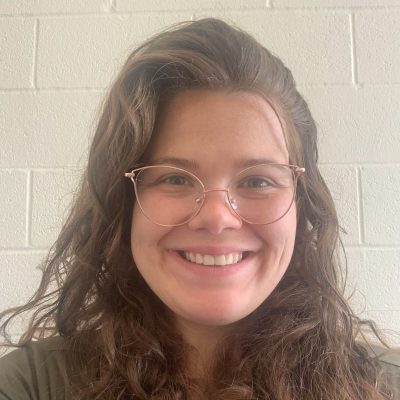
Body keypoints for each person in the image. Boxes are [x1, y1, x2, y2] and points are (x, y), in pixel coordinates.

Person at [0, 17, 398, 400]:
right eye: (174, 179)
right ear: (124, 205)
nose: (217, 217)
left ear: (302, 202)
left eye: (258, 181)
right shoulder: (28, 386)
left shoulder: (386, 386)